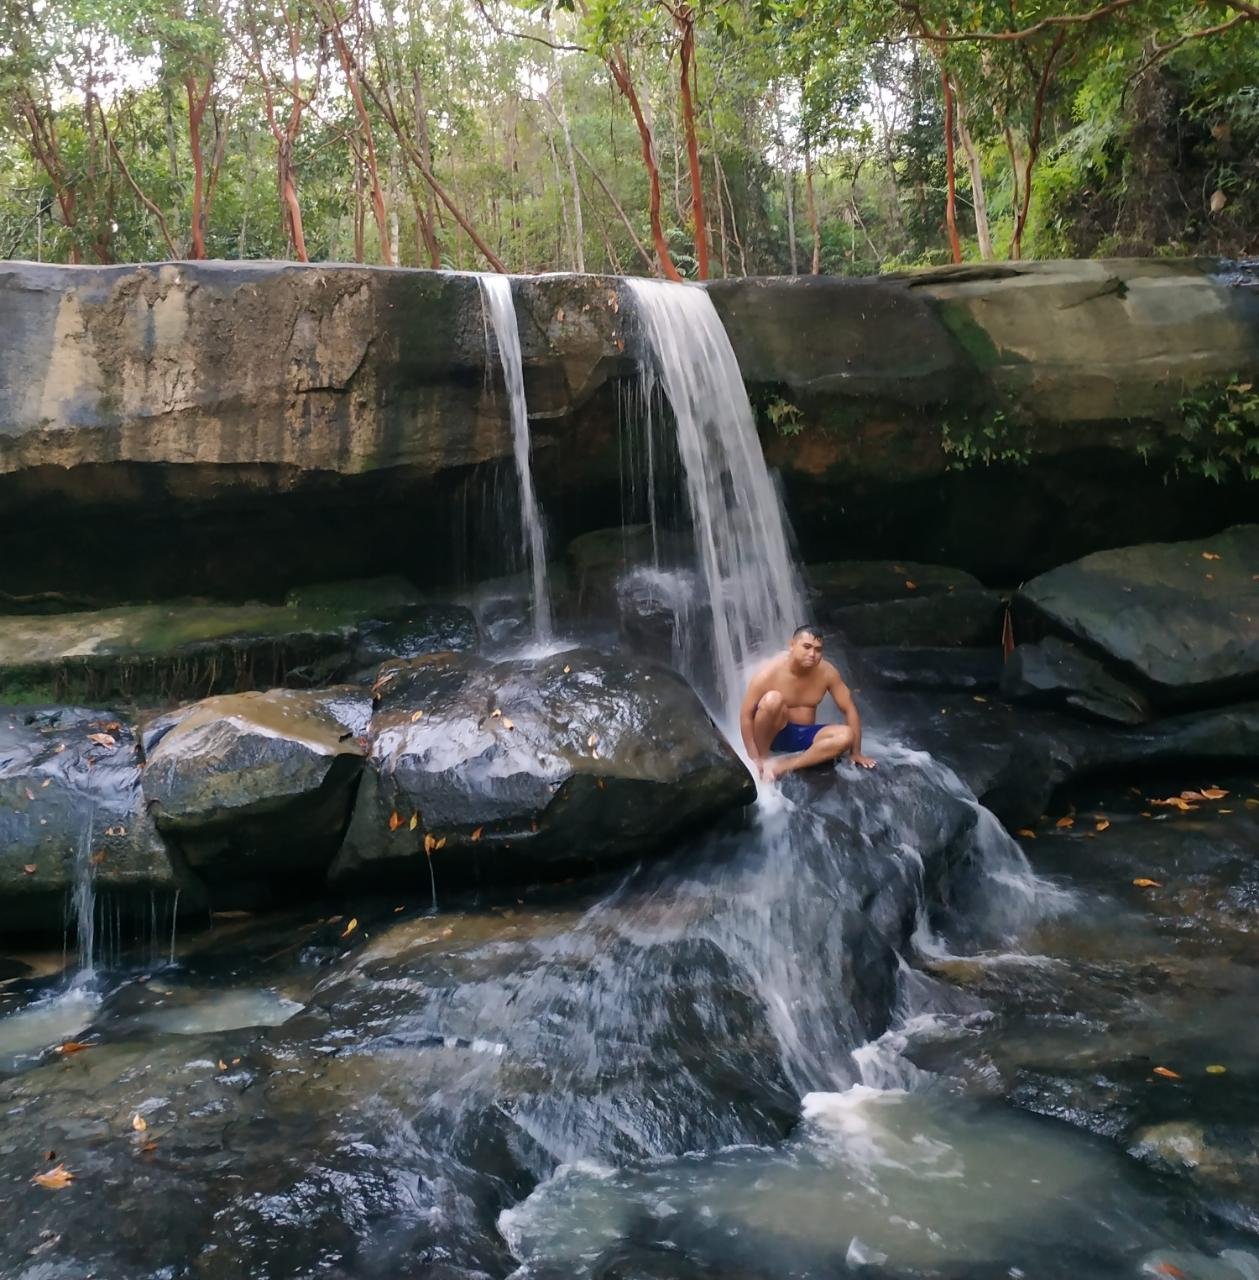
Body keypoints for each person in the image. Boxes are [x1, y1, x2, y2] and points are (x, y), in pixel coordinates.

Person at [740, 625, 876, 782]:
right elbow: (745, 715)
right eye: (806, 647)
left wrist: (856, 752)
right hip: (772, 737)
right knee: (772, 699)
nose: (812, 654)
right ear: (792, 645)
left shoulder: (827, 672)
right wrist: (754, 757)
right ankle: (764, 760)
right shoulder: (769, 673)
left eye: (818, 650)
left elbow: (849, 708)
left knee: (846, 735)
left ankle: (781, 766)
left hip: (805, 737)